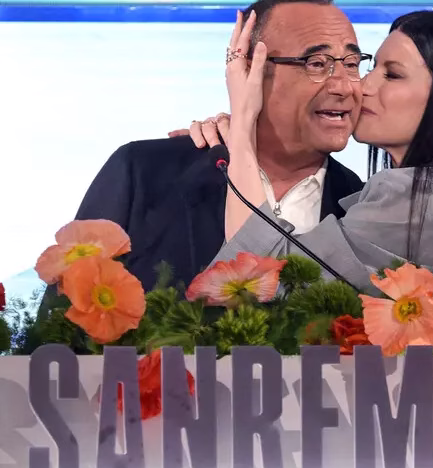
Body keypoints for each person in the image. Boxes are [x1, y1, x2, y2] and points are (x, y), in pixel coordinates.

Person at [189, 10, 433, 298]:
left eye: (391, 75)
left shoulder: (426, 197)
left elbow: (256, 279)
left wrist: (244, 125)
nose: (362, 86)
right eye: (370, 67)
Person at [54, 0, 367, 292]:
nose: (343, 86)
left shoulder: (360, 205)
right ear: (247, 71)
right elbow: (61, 321)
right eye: (317, 63)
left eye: (352, 64)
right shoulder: (143, 173)